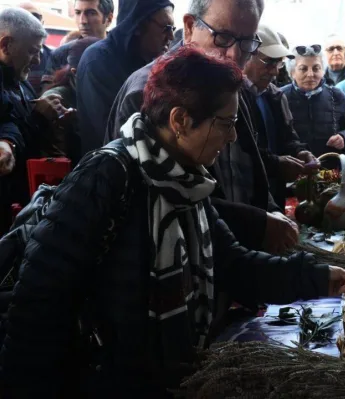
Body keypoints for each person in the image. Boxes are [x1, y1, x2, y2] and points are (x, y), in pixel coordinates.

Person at [0, 46, 345, 398]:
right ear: (180, 120)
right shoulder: (107, 176)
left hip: (160, 381)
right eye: (226, 123)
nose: (232, 136)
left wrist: (316, 277)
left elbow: (232, 265)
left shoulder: (188, 184)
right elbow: (37, 303)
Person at [107, 0, 298, 256]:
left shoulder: (231, 84)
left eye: (246, 43)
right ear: (188, 27)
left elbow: (247, 166)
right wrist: (256, 222)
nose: (233, 56)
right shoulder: (149, 92)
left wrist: (271, 210)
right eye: (223, 37)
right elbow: (159, 200)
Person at [76, 0, 175, 155]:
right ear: (137, 25)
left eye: (173, 29)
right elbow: (117, 130)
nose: (171, 36)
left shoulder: (149, 60)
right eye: (166, 28)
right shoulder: (98, 60)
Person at [0, 8, 67, 234]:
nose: (38, 60)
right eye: (32, 51)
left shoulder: (19, 81)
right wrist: (38, 118)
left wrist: (52, 117)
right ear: (6, 45)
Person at [243, 24, 317, 208]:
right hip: (246, 199)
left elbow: (287, 137)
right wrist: (276, 164)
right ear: (246, 56)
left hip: (275, 193)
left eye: (279, 63)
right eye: (268, 62)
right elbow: (243, 152)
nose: (275, 71)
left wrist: (299, 152)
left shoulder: (275, 96)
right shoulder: (233, 98)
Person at [282, 45, 345, 159]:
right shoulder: (281, 96)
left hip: (330, 169)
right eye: (303, 68)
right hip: (294, 167)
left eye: (316, 68)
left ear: (323, 70)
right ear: (292, 72)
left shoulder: (336, 95)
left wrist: (344, 137)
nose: (310, 74)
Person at [41, 37, 100, 165]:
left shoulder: (103, 90)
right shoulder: (56, 99)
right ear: (75, 72)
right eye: (97, 72)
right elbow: (54, 156)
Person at [42, 0, 115, 91]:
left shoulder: (120, 52)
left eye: (91, 13)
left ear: (109, 19)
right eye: (77, 13)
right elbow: (47, 98)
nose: (82, 21)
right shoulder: (60, 54)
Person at [17, 2, 52, 95]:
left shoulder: (54, 58)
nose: (30, 23)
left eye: (35, 17)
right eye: (22, 18)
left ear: (42, 23)